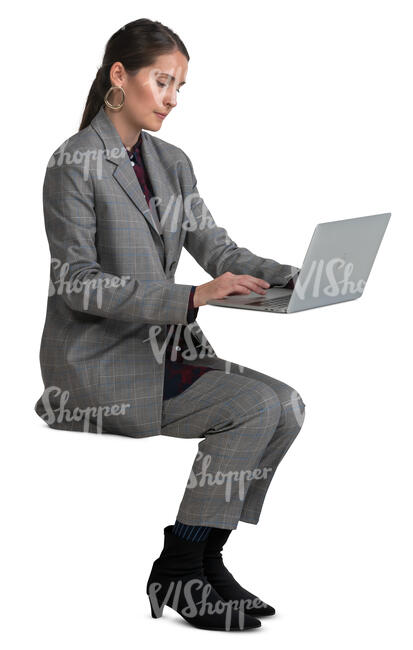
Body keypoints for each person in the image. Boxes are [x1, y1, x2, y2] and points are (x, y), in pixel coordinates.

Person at [34, 18, 306, 632]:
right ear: (119, 77)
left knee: (286, 405)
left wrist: (300, 276)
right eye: (163, 82)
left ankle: (204, 555)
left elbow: (220, 250)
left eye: (181, 86)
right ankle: (182, 564)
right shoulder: (73, 163)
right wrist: (191, 296)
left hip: (163, 352)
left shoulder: (173, 164)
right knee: (253, 408)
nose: (173, 98)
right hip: (99, 362)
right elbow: (75, 282)